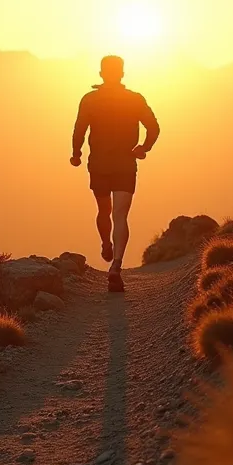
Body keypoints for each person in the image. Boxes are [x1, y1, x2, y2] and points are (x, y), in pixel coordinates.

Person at [70, 55, 161, 292]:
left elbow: (79, 128)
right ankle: (116, 266)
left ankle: (106, 245)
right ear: (122, 73)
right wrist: (143, 147)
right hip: (125, 165)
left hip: (99, 164)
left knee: (103, 210)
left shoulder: (90, 99)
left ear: (101, 73)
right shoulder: (134, 99)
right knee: (120, 215)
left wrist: (76, 153)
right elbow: (154, 127)